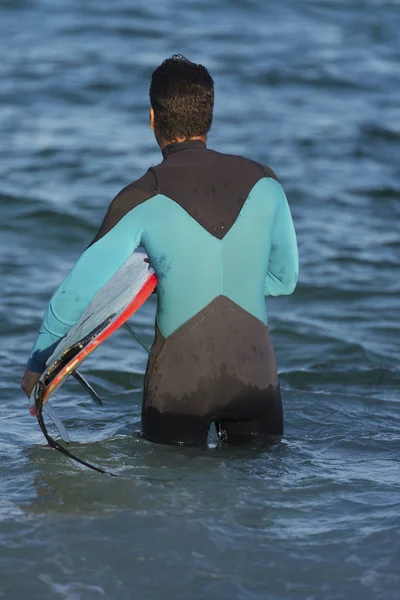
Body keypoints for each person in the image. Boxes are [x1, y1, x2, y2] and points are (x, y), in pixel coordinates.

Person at [21, 55, 298, 445]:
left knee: (167, 500)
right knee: (254, 498)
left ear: (153, 118)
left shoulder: (139, 196)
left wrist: (37, 366)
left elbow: (78, 293)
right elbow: (285, 280)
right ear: (209, 116)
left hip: (180, 384)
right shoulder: (266, 182)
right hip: (256, 378)